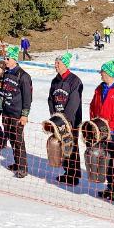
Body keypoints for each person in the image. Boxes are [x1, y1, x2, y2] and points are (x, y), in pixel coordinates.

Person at [90, 58, 114, 201]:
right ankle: (110, 186)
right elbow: (93, 106)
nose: (101, 74)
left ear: (109, 73)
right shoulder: (100, 88)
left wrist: (110, 126)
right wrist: (93, 123)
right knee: (105, 158)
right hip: (100, 131)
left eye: (102, 72)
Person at [48, 52, 83, 186]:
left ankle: (74, 175)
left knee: (71, 147)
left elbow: (73, 102)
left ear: (65, 65)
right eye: (55, 63)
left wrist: (65, 120)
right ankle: (67, 171)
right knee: (62, 146)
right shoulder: (55, 80)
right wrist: (54, 117)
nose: (55, 65)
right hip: (58, 120)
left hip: (71, 121)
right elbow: (50, 99)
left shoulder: (75, 80)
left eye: (58, 63)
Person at [0, 46, 33, 178]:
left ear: (14, 59)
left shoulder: (23, 76)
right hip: (6, 112)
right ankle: (17, 162)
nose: (5, 61)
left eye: (8, 58)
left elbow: (28, 98)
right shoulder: (7, 73)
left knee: (18, 141)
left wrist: (25, 114)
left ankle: (23, 167)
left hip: (17, 114)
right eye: (5, 58)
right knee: (12, 139)